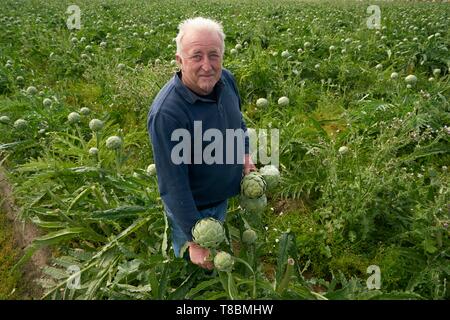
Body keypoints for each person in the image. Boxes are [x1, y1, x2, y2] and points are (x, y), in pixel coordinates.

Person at [147, 17, 256, 269]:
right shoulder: (167, 114)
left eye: (214, 55)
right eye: (196, 56)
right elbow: (173, 185)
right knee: (191, 268)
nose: (207, 66)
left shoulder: (226, 81)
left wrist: (245, 155)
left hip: (221, 198)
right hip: (192, 210)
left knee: (215, 255)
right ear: (180, 60)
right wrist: (194, 239)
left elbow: (237, 123)